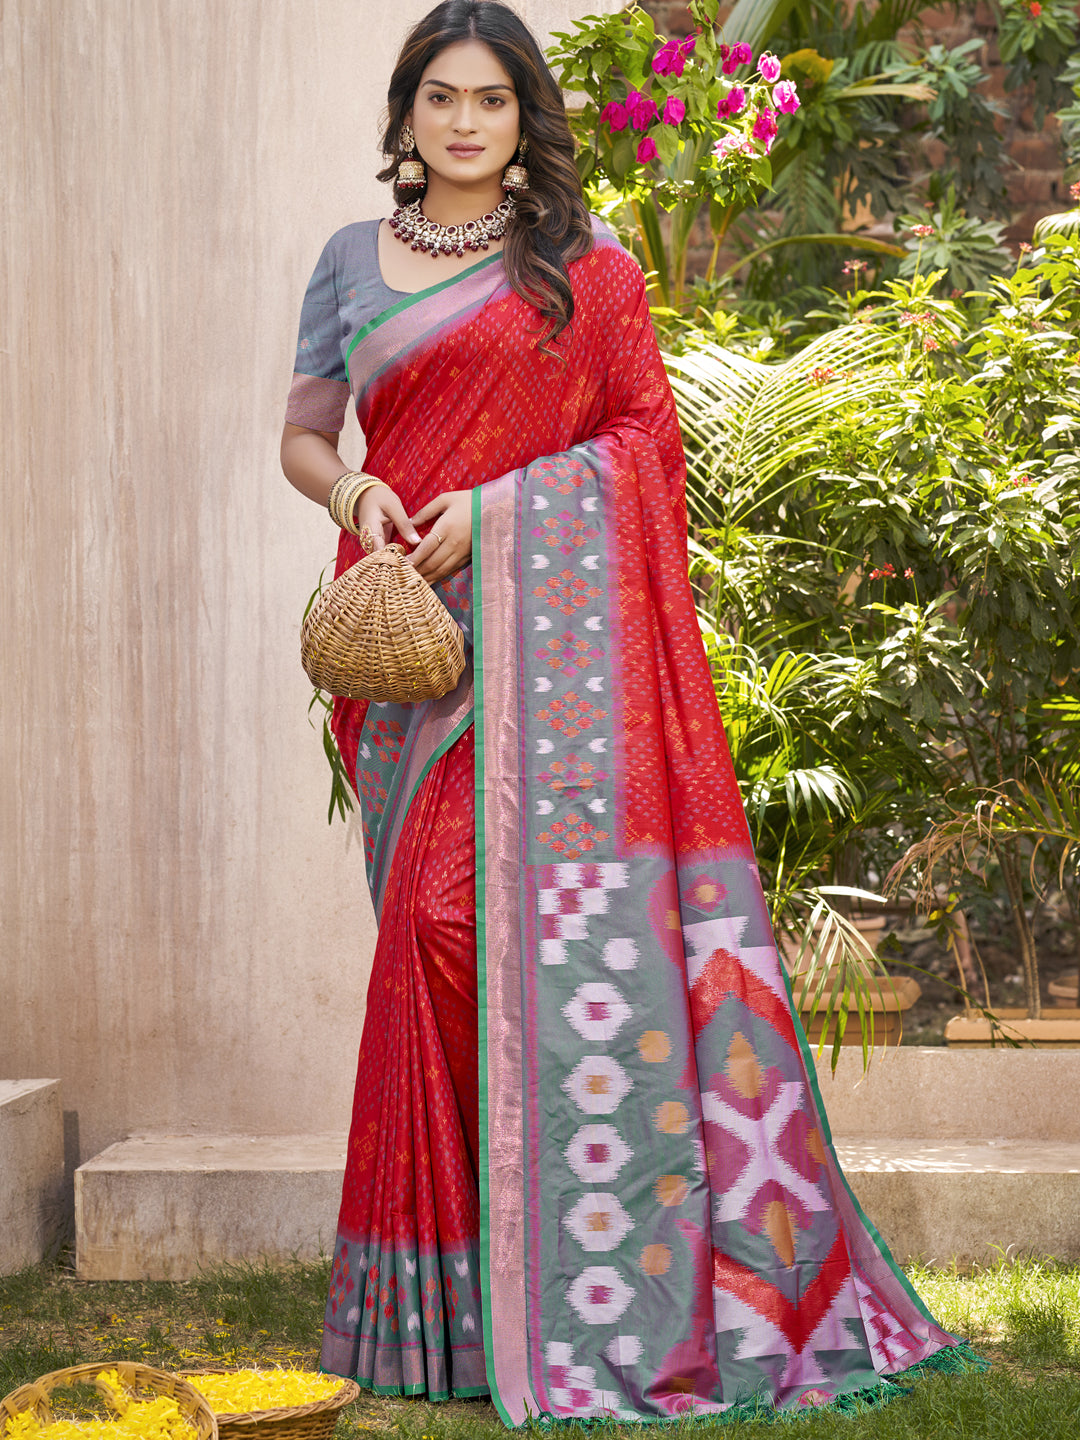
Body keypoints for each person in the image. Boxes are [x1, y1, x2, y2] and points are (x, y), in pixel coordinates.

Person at [281, 0, 978, 1424]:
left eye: (490, 100)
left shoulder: (583, 269)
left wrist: (497, 511)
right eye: (440, 98)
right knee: (424, 941)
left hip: (554, 663)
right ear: (406, 115)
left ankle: (565, 1277)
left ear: (522, 116)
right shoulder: (351, 261)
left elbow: (643, 438)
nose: (464, 123)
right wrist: (353, 490)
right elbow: (302, 432)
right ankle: (444, 1309)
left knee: (477, 936)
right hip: (406, 651)